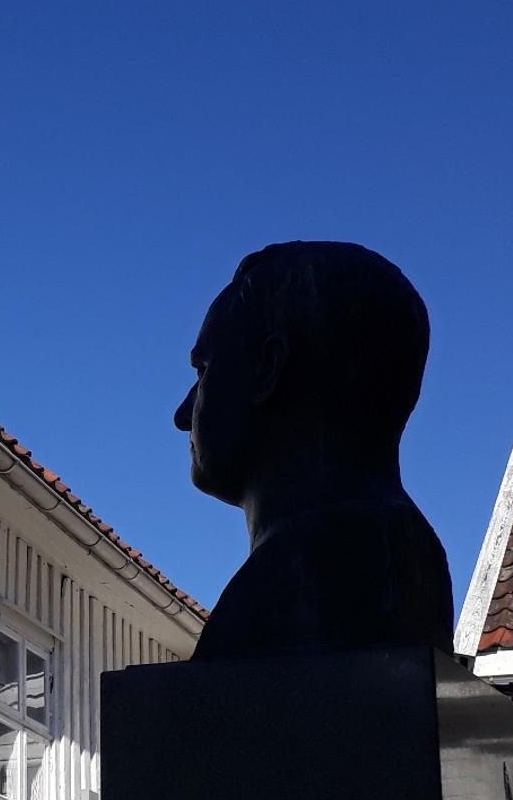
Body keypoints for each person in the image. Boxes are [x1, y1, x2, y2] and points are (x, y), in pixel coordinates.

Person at [173, 241, 454, 659]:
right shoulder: (406, 559)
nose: (182, 414)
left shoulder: (296, 580)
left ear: (267, 368)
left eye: (204, 370)